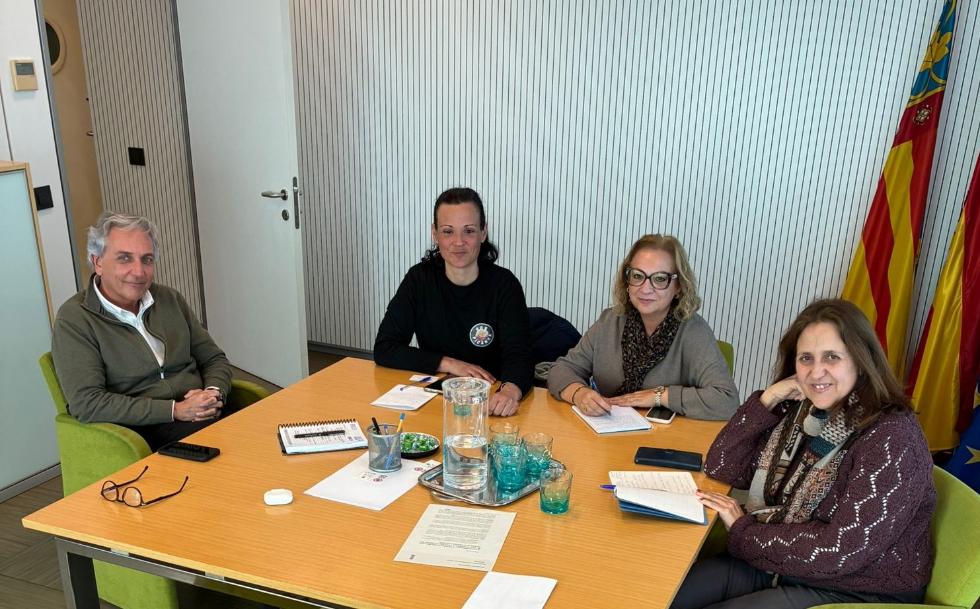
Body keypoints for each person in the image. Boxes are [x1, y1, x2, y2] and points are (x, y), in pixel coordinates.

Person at [672, 299, 936, 609]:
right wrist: (767, 399)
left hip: (857, 587)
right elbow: (723, 466)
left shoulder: (892, 437)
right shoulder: (804, 414)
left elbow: (839, 552)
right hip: (783, 561)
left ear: (862, 361)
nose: (816, 372)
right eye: (806, 358)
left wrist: (744, 533)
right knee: (666, 596)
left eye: (832, 357)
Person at [52, 212, 236, 451]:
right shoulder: (75, 319)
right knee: (235, 450)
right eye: (124, 258)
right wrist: (175, 410)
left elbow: (213, 358)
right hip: (143, 431)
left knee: (267, 428)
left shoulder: (169, 299)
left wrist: (213, 394)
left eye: (147, 259)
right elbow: (88, 403)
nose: (139, 272)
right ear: (98, 262)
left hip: (203, 412)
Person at [373, 187, 533, 416]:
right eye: (448, 232)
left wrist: (510, 392)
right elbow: (385, 348)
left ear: (483, 233)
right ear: (435, 234)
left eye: (469, 231)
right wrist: (449, 364)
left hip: (490, 402)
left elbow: (520, 356)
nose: (458, 242)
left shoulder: (504, 284)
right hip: (437, 400)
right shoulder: (419, 279)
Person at [547, 234, 738, 420]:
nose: (645, 289)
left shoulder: (694, 331)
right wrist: (578, 393)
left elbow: (727, 400)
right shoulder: (610, 321)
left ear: (678, 286)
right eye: (637, 276)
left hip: (667, 438)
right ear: (627, 281)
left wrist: (659, 396)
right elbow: (560, 370)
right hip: (607, 431)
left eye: (660, 279)